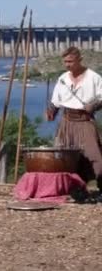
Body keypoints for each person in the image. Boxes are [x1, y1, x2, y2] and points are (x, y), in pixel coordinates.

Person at [46, 46, 102, 202]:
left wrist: (95, 105)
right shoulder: (63, 78)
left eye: (70, 61)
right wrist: (52, 111)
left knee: (95, 158)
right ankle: (75, 190)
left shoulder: (94, 77)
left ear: (79, 60)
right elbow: (56, 102)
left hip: (85, 121)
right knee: (65, 158)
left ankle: (100, 189)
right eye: (65, 62)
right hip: (66, 122)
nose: (67, 65)